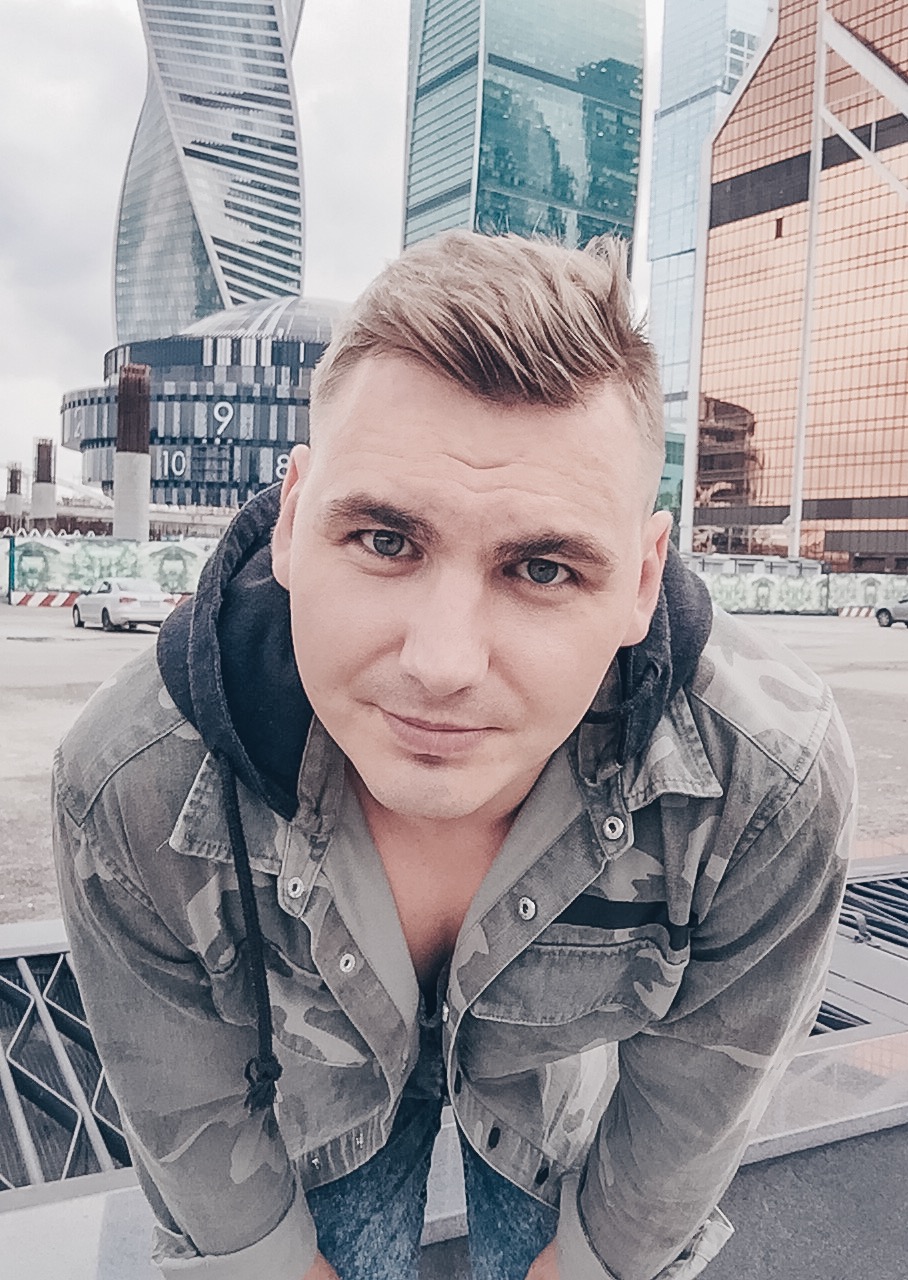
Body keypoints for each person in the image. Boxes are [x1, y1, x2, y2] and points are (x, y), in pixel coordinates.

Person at [52, 231, 856, 1280]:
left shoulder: (763, 784)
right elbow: (188, 1114)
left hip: (546, 1084)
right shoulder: (133, 779)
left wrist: (585, 1264)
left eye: (542, 567)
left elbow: (695, 1102)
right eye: (385, 541)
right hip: (309, 1093)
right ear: (291, 521)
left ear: (642, 580)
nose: (441, 664)